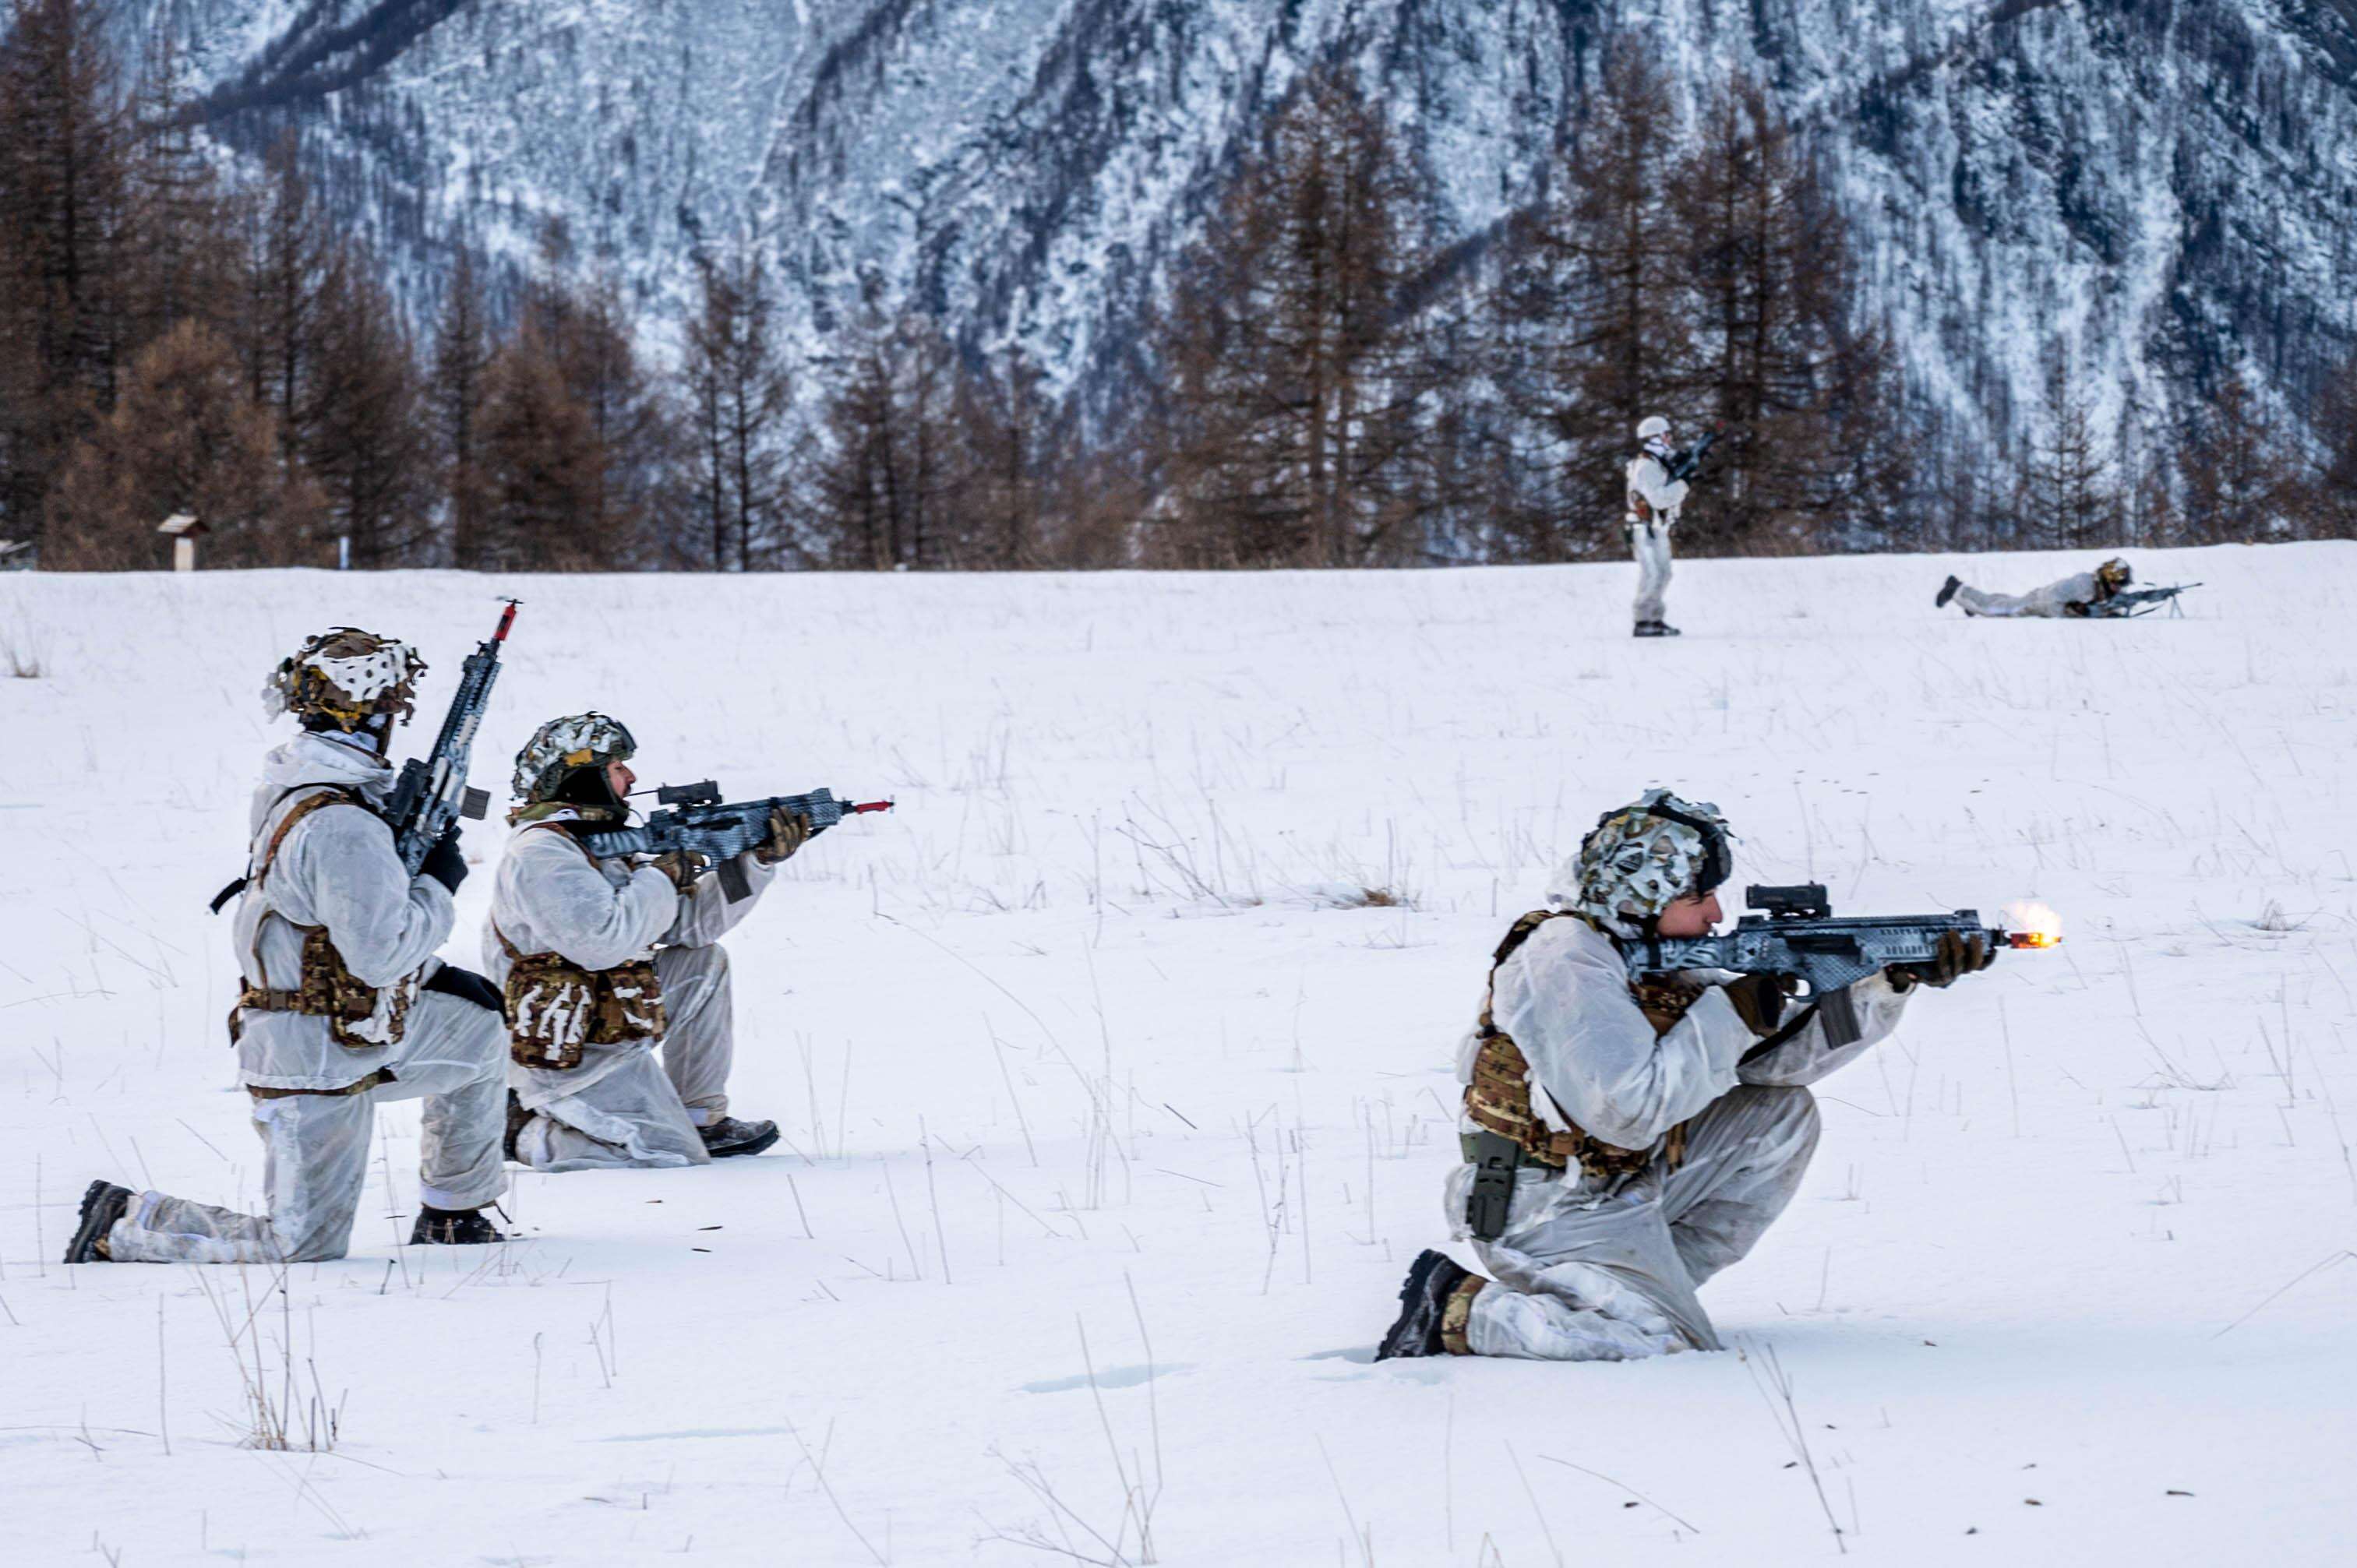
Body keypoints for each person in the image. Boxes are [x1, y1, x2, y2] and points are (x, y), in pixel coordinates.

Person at [1374, 788, 1991, 1361]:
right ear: (1643, 896)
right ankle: (1462, 1310)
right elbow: (1626, 1109)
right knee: (1663, 1346)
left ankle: (1634, 1280)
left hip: (1621, 1180)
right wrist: (1736, 1008)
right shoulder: (1565, 958)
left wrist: (1884, 982)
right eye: (1697, 899)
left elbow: (1770, 1066)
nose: (1716, 912)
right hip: (1545, 1207)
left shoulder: (1641, 947)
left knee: (1777, 1115)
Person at [64, 629, 510, 1265]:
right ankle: (130, 1219)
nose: (395, 716)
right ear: (371, 710)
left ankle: (453, 1213)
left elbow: (337, 928)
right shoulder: (341, 823)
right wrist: (438, 885)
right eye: (391, 701)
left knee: (480, 1031)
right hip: (309, 1056)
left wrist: (440, 976)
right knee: (301, 1245)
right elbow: (380, 954)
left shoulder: (322, 791)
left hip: (349, 1028)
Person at [485, 714, 807, 1170]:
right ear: (580, 776)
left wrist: (755, 862)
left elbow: (689, 928)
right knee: (671, 1152)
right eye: (617, 768)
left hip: (611, 1019)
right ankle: (522, 1132)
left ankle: (700, 1116)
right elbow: (602, 943)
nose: (631, 778)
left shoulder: (599, 846)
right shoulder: (541, 853)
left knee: (703, 962)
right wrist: (660, 876)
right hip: (564, 1051)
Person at [1626, 416, 1690, 639]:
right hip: (1645, 528)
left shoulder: (1656, 464)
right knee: (1653, 574)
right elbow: (1659, 500)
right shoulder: (1646, 467)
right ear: (1655, 438)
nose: (1670, 439)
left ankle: (1654, 619)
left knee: (1663, 573)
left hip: (1656, 527)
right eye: (1666, 435)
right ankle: (1644, 621)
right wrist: (1683, 485)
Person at [1936, 557, 2132, 618]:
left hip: (2040, 599)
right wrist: (2067, 612)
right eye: (2117, 584)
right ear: (2107, 579)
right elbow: (2055, 601)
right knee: (1996, 610)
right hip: (2039, 602)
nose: (2119, 589)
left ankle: (1970, 600)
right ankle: (1956, 590)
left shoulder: (2097, 588)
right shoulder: (2084, 584)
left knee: (2002, 601)